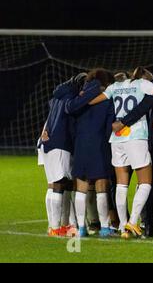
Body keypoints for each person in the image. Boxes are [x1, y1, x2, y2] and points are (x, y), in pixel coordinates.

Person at [89, 64, 153, 238]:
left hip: (117, 137)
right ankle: (133, 222)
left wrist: (83, 96)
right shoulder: (143, 84)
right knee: (146, 183)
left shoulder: (115, 86)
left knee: (121, 184)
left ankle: (122, 227)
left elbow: (93, 100)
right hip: (136, 136)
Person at [37, 73, 90, 237]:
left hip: (50, 142)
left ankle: (60, 225)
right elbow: (71, 124)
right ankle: (54, 227)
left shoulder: (59, 97)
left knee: (58, 184)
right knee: (59, 184)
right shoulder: (72, 100)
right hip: (60, 143)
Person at [65, 69, 115, 237]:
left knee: (81, 187)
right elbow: (109, 126)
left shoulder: (80, 99)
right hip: (100, 144)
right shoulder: (107, 100)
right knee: (101, 186)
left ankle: (81, 227)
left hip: (81, 144)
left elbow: (71, 122)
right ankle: (105, 228)